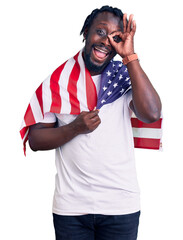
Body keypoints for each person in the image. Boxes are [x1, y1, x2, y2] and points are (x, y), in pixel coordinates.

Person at [22, 5, 162, 240]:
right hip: (71, 208)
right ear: (86, 32)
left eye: (115, 37)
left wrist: (129, 56)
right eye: (100, 31)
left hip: (121, 205)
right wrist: (75, 128)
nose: (106, 41)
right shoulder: (58, 81)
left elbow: (152, 113)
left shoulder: (125, 77)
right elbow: (35, 139)